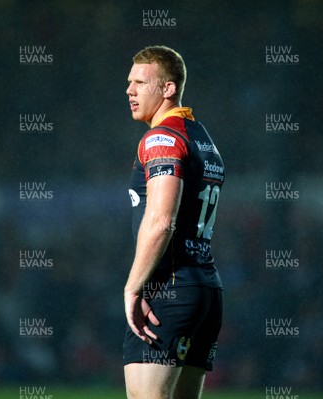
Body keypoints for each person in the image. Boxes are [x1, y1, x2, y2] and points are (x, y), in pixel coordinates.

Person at [123, 45, 225, 399]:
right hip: (206, 290)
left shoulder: (162, 137)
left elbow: (161, 221)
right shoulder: (202, 138)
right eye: (129, 82)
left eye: (140, 82)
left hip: (171, 287)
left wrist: (134, 287)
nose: (129, 90)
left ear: (168, 88)